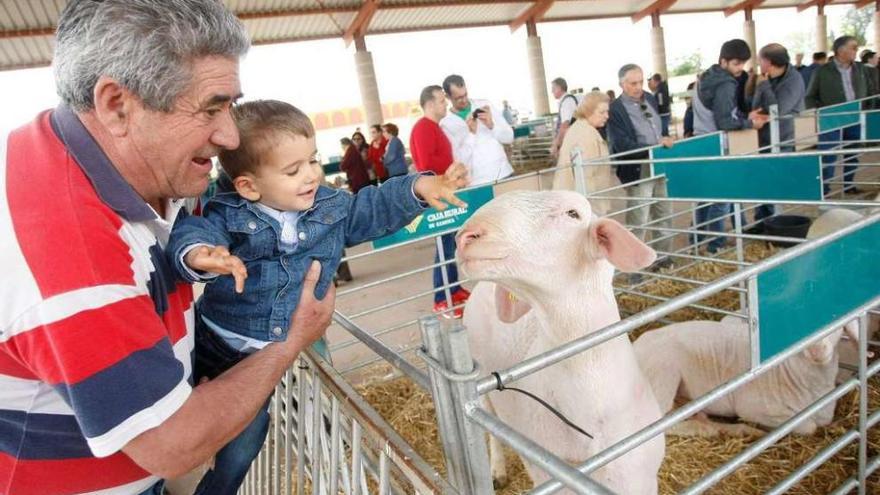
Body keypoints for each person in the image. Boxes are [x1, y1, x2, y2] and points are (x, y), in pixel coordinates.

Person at [0, 2, 335, 495]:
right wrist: (291, 338)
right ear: (117, 105)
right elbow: (172, 444)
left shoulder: (146, 169)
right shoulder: (65, 250)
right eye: (211, 108)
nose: (228, 136)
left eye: (231, 106)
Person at [166, 100, 466, 493]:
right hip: (209, 339)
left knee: (246, 444)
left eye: (312, 161)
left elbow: (370, 206)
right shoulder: (230, 212)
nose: (310, 176)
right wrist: (201, 255)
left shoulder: (331, 206)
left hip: (256, 363)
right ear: (249, 186)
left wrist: (418, 187)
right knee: (167, 422)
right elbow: (197, 232)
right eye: (293, 170)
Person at [692, 39, 768, 253]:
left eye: (742, 63)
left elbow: (722, 112)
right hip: (720, 143)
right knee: (723, 197)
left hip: (702, 142)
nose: (740, 69)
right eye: (736, 64)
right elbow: (725, 121)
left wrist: (744, 116)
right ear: (723, 61)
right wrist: (750, 123)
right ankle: (715, 245)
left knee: (707, 196)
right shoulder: (725, 83)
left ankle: (698, 239)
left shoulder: (706, 77)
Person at [410, 85, 470, 318]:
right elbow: (426, 165)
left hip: (446, 189)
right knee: (443, 247)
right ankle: (441, 297)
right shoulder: (424, 128)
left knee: (449, 243)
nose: (446, 104)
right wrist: (449, 177)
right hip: (438, 194)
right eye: (442, 101)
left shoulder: (433, 127)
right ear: (430, 104)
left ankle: (452, 288)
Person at [606, 63, 675, 266]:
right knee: (639, 219)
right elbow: (621, 143)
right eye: (633, 83)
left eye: (641, 82)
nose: (638, 87)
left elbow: (659, 129)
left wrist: (664, 138)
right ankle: (634, 266)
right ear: (622, 84)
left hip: (659, 164)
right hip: (639, 168)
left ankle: (663, 258)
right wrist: (653, 146)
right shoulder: (616, 109)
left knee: (664, 212)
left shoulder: (650, 98)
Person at [806, 35, 876, 195]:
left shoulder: (861, 69)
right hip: (831, 119)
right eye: (853, 47)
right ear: (840, 50)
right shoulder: (822, 71)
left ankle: (848, 185)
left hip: (855, 117)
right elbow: (810, 96)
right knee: (829, 156)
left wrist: (867, 110)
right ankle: (824, 190)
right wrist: (819, 113)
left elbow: (871, 91)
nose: (856, 50)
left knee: (853, 153)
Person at [751, 43, 805, 220]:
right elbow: (757, 106)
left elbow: (778, 110)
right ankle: (763, 220)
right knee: (762, 181)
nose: (759, 64)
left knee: (775, 181)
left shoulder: (793, 80)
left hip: (782, 138)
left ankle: (775, 221)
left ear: (768, 62)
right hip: (763, 138)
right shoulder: (767, 78)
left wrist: (764, 87)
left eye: (760, 60)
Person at [441, 74, 514, 185]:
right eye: (458, 98)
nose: (464, 100)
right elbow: (458, 160)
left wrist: (491, 126)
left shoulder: (485, 105)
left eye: (465, 94)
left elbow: (509, 138)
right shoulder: (446, 124)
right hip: (477, 183)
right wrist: (471, 134)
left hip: (503, 173)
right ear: (447, 97)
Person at [552, 91, 616, 215]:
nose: (607, 116)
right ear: (588, 111)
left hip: (571, 201)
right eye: (602, 112)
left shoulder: (581, 127)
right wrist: (592, 212)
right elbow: (586, 176)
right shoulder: (586, 134)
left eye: (607, 112)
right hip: (584, 204)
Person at [550, 77, 579, 157]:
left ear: (559, 88)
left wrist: (557, 144)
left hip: (572, 140)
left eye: (553, 88)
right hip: (571, 139)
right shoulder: (565, 101)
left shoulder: (567, 102)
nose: (552, 91)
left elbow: (565, 125)